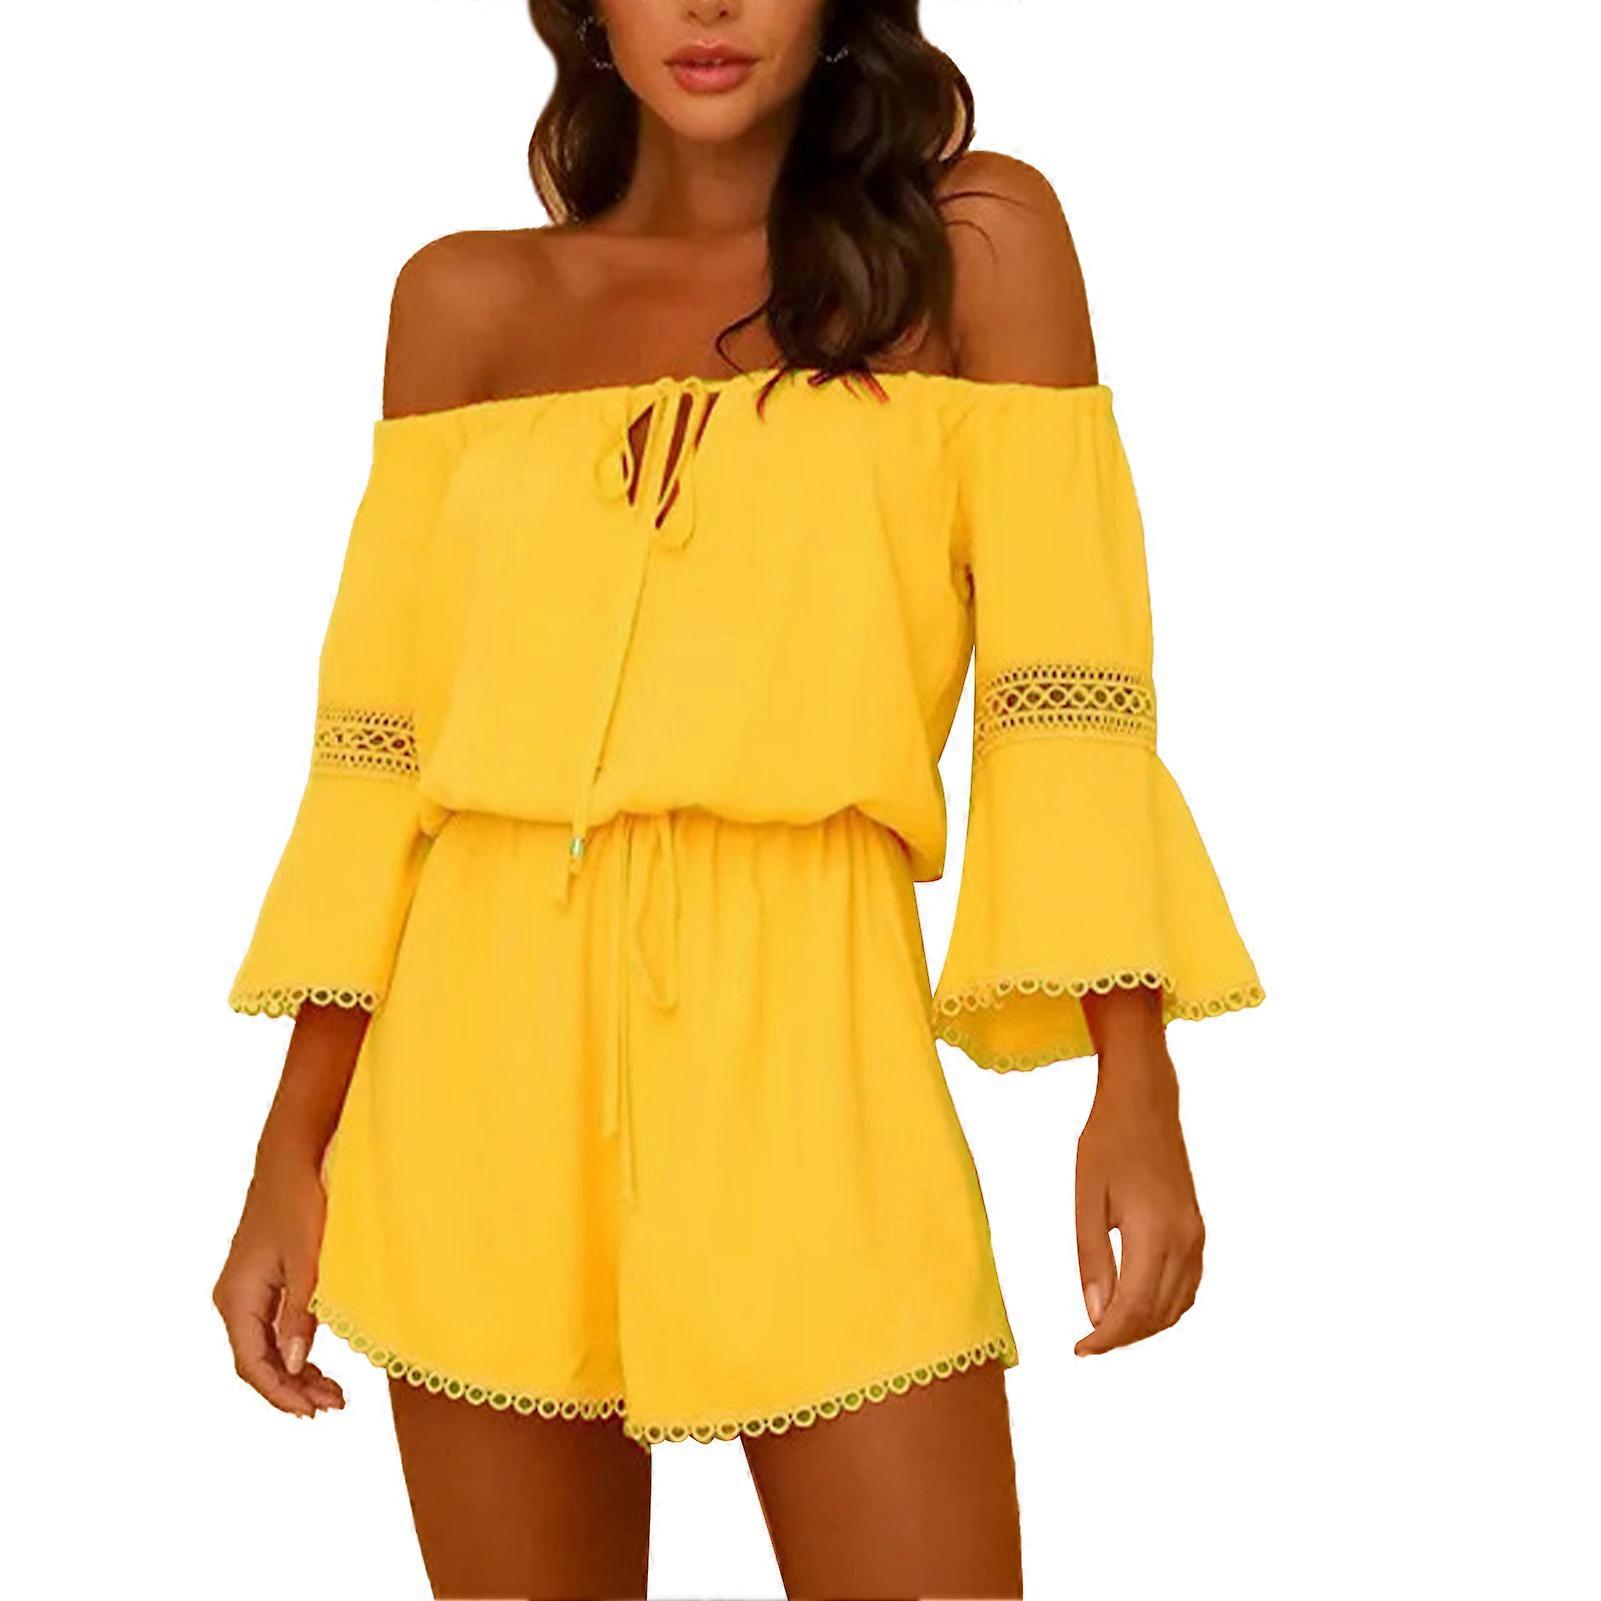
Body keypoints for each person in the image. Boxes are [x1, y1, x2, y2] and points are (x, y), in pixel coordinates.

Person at [212, 3, 1264, 1596]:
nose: (707, 8)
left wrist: (1136, 1074)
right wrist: (291, 1147)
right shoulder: (461, 302)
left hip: (813, 1037)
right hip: (479, 1061)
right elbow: (375, 759)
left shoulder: (976, 245)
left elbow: (1067, 698)